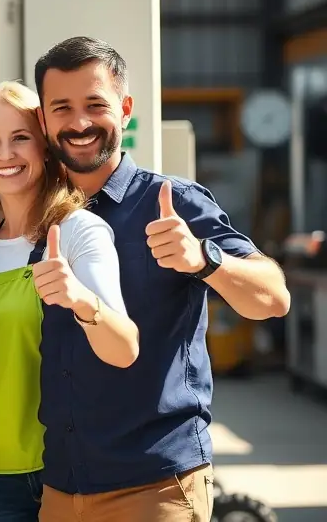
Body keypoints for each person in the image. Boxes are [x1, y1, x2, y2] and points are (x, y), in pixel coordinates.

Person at [32, 37, 291, 522]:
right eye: (61, 108)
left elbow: (274, 298)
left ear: (125, 109)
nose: (80, 122)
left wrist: (205, 260)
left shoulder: (175, 203)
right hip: (62, 487)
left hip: (155, 487)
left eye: (95, 104)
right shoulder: (38, 216)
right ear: (44, 120)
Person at [0, 81, 139, 522]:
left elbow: (125, 347)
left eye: (21, 138)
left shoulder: (78, 232)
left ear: (46, 148)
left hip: (71, 478)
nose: (5, 154)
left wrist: (80, 300)